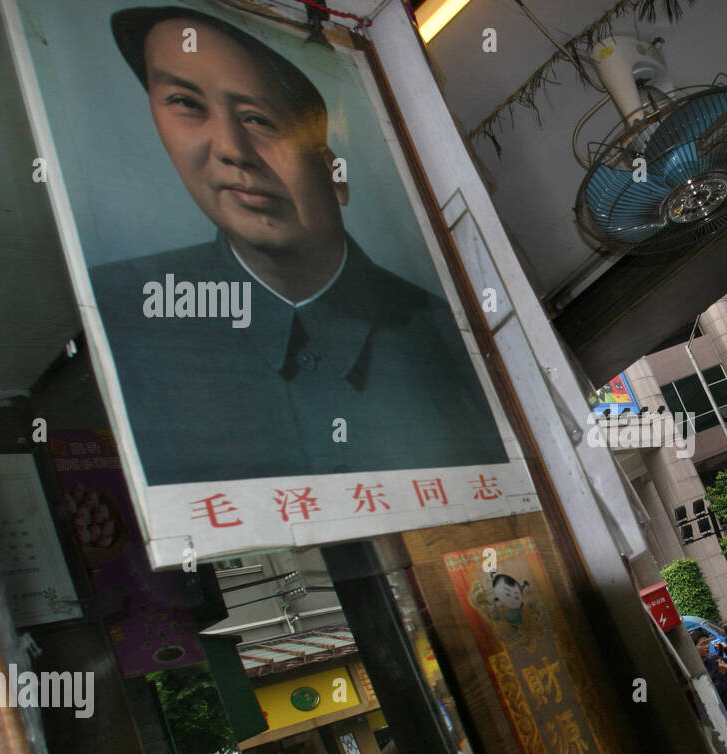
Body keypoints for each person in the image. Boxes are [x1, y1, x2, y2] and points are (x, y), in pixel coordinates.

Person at [91, 7, 506, 485]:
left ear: (336, 177)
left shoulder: (450, 337)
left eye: (259, 119)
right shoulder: (120, 315)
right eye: (186, 103)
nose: (230, 148)